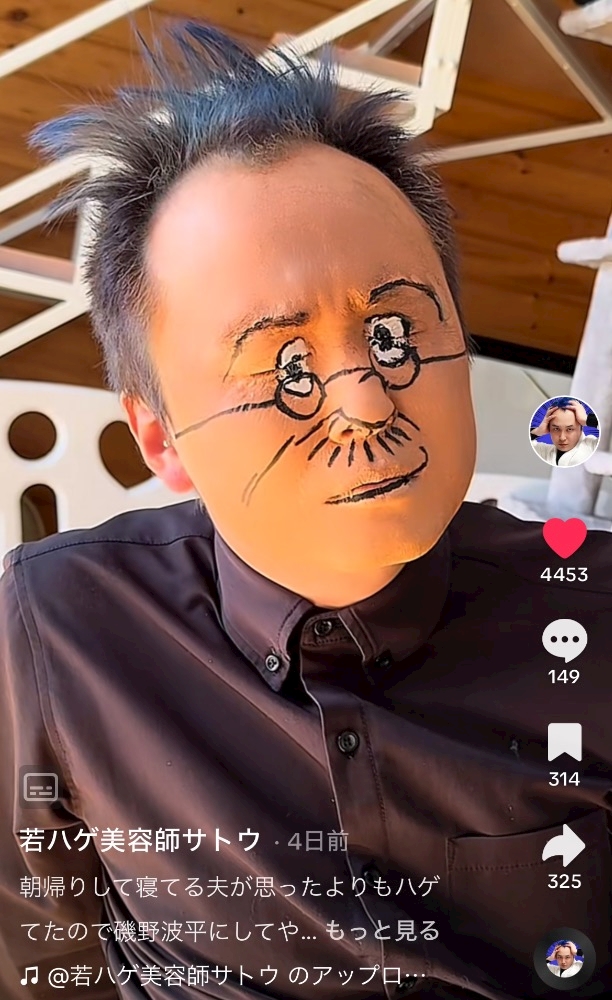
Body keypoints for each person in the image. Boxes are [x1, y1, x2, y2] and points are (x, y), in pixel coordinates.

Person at [1, 20, 611, 1000]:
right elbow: (42, 960)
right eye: (284, 368)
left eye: (394, 334)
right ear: (161, 438)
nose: (367, 402)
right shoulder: (57, 629)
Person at [530, 397, 599, 467]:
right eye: (556, 429)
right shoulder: (544, 452)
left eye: (570, 429)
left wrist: (588, 420)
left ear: (581, 427)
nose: (562, 438)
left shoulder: (592, 445)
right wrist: (537, 431)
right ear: (549, 428)